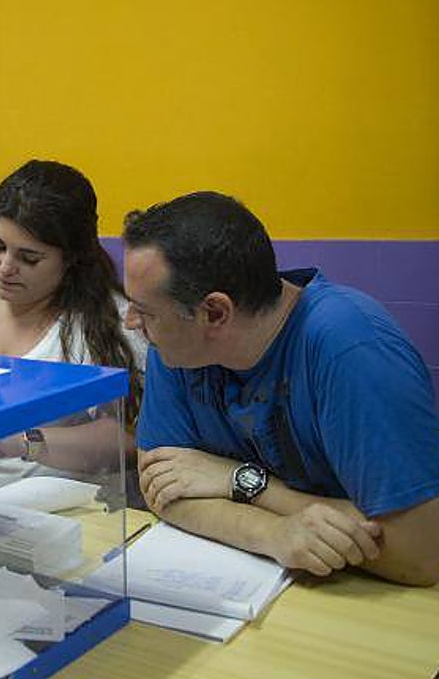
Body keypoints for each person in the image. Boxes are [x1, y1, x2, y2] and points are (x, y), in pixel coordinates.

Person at [124, 191, 439, 587]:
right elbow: (162, 488)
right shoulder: (178, 346)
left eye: (145, 310)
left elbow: (420, 553)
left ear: (215, 312)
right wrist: (272, 534)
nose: (132, 322)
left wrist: (243, 482)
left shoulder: (349, 346)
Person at [0, 159, 146, 472]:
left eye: (29, 258)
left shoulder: (112, 322)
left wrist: (25, 442)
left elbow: (128, 440)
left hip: (61, 504)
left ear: (70, 258)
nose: (4, 268)